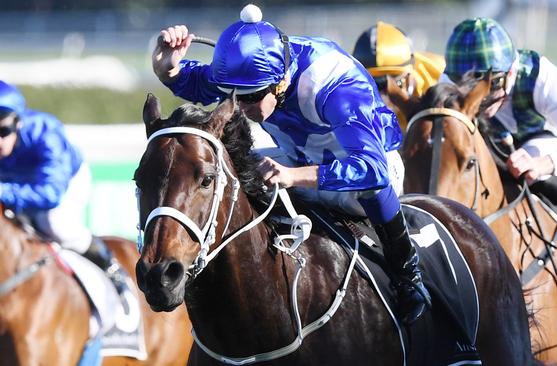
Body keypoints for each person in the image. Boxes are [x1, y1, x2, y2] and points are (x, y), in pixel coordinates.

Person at [152, 4, 431, 323]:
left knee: (371, 189)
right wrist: (169, 70)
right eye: (235, 97)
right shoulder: (251, 75)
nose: (240, 108)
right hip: (298, 160)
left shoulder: (335, 85)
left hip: (367, 170)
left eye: (251, 98)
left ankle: (408, 275)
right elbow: (199, 83)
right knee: (223, 175)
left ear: (280, 81)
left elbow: (372, 168)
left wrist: (294, 176)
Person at [441, 17, 557, 275]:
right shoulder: (445, 82)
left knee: (525, 158)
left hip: (535, 142)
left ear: (510, 73)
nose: (480, 99)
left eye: (490, 86)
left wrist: (542, 165)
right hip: (481, 142)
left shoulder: (539, 75)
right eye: (467, 87)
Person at [0, 80, 125, 289]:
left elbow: (50, 194)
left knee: (54, 224)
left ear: (18, 122)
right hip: (15, 185)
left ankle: (110, 267)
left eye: (3, 131)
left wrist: (3, 191)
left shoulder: (46, 133)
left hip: (67, 183)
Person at [352, 21, 446, 130]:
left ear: (411, 72)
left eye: (396, 82)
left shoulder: (439, 77)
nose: (383, 97)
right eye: (374, 84)